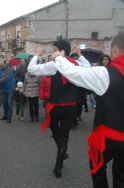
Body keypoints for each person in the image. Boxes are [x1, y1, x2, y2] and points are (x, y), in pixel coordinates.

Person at [48, 33, 124, 188]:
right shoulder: (106, 72)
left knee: (97, 165)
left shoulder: (107, 74)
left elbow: (76, 73)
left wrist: (59, 58)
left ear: (115, 49)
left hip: (109, 137)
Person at [27, 40, 90, 178]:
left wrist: (36, 55)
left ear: (62, 52)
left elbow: (31, 69)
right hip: (70, 107)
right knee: (63, 135)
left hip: (56, 107)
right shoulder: (76, 64)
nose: (52, 52)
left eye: (55, 49)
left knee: (58, 134)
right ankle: (60, 159)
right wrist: (79, 55)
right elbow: (88, 66)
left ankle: (59, 161)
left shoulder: (54, 64)